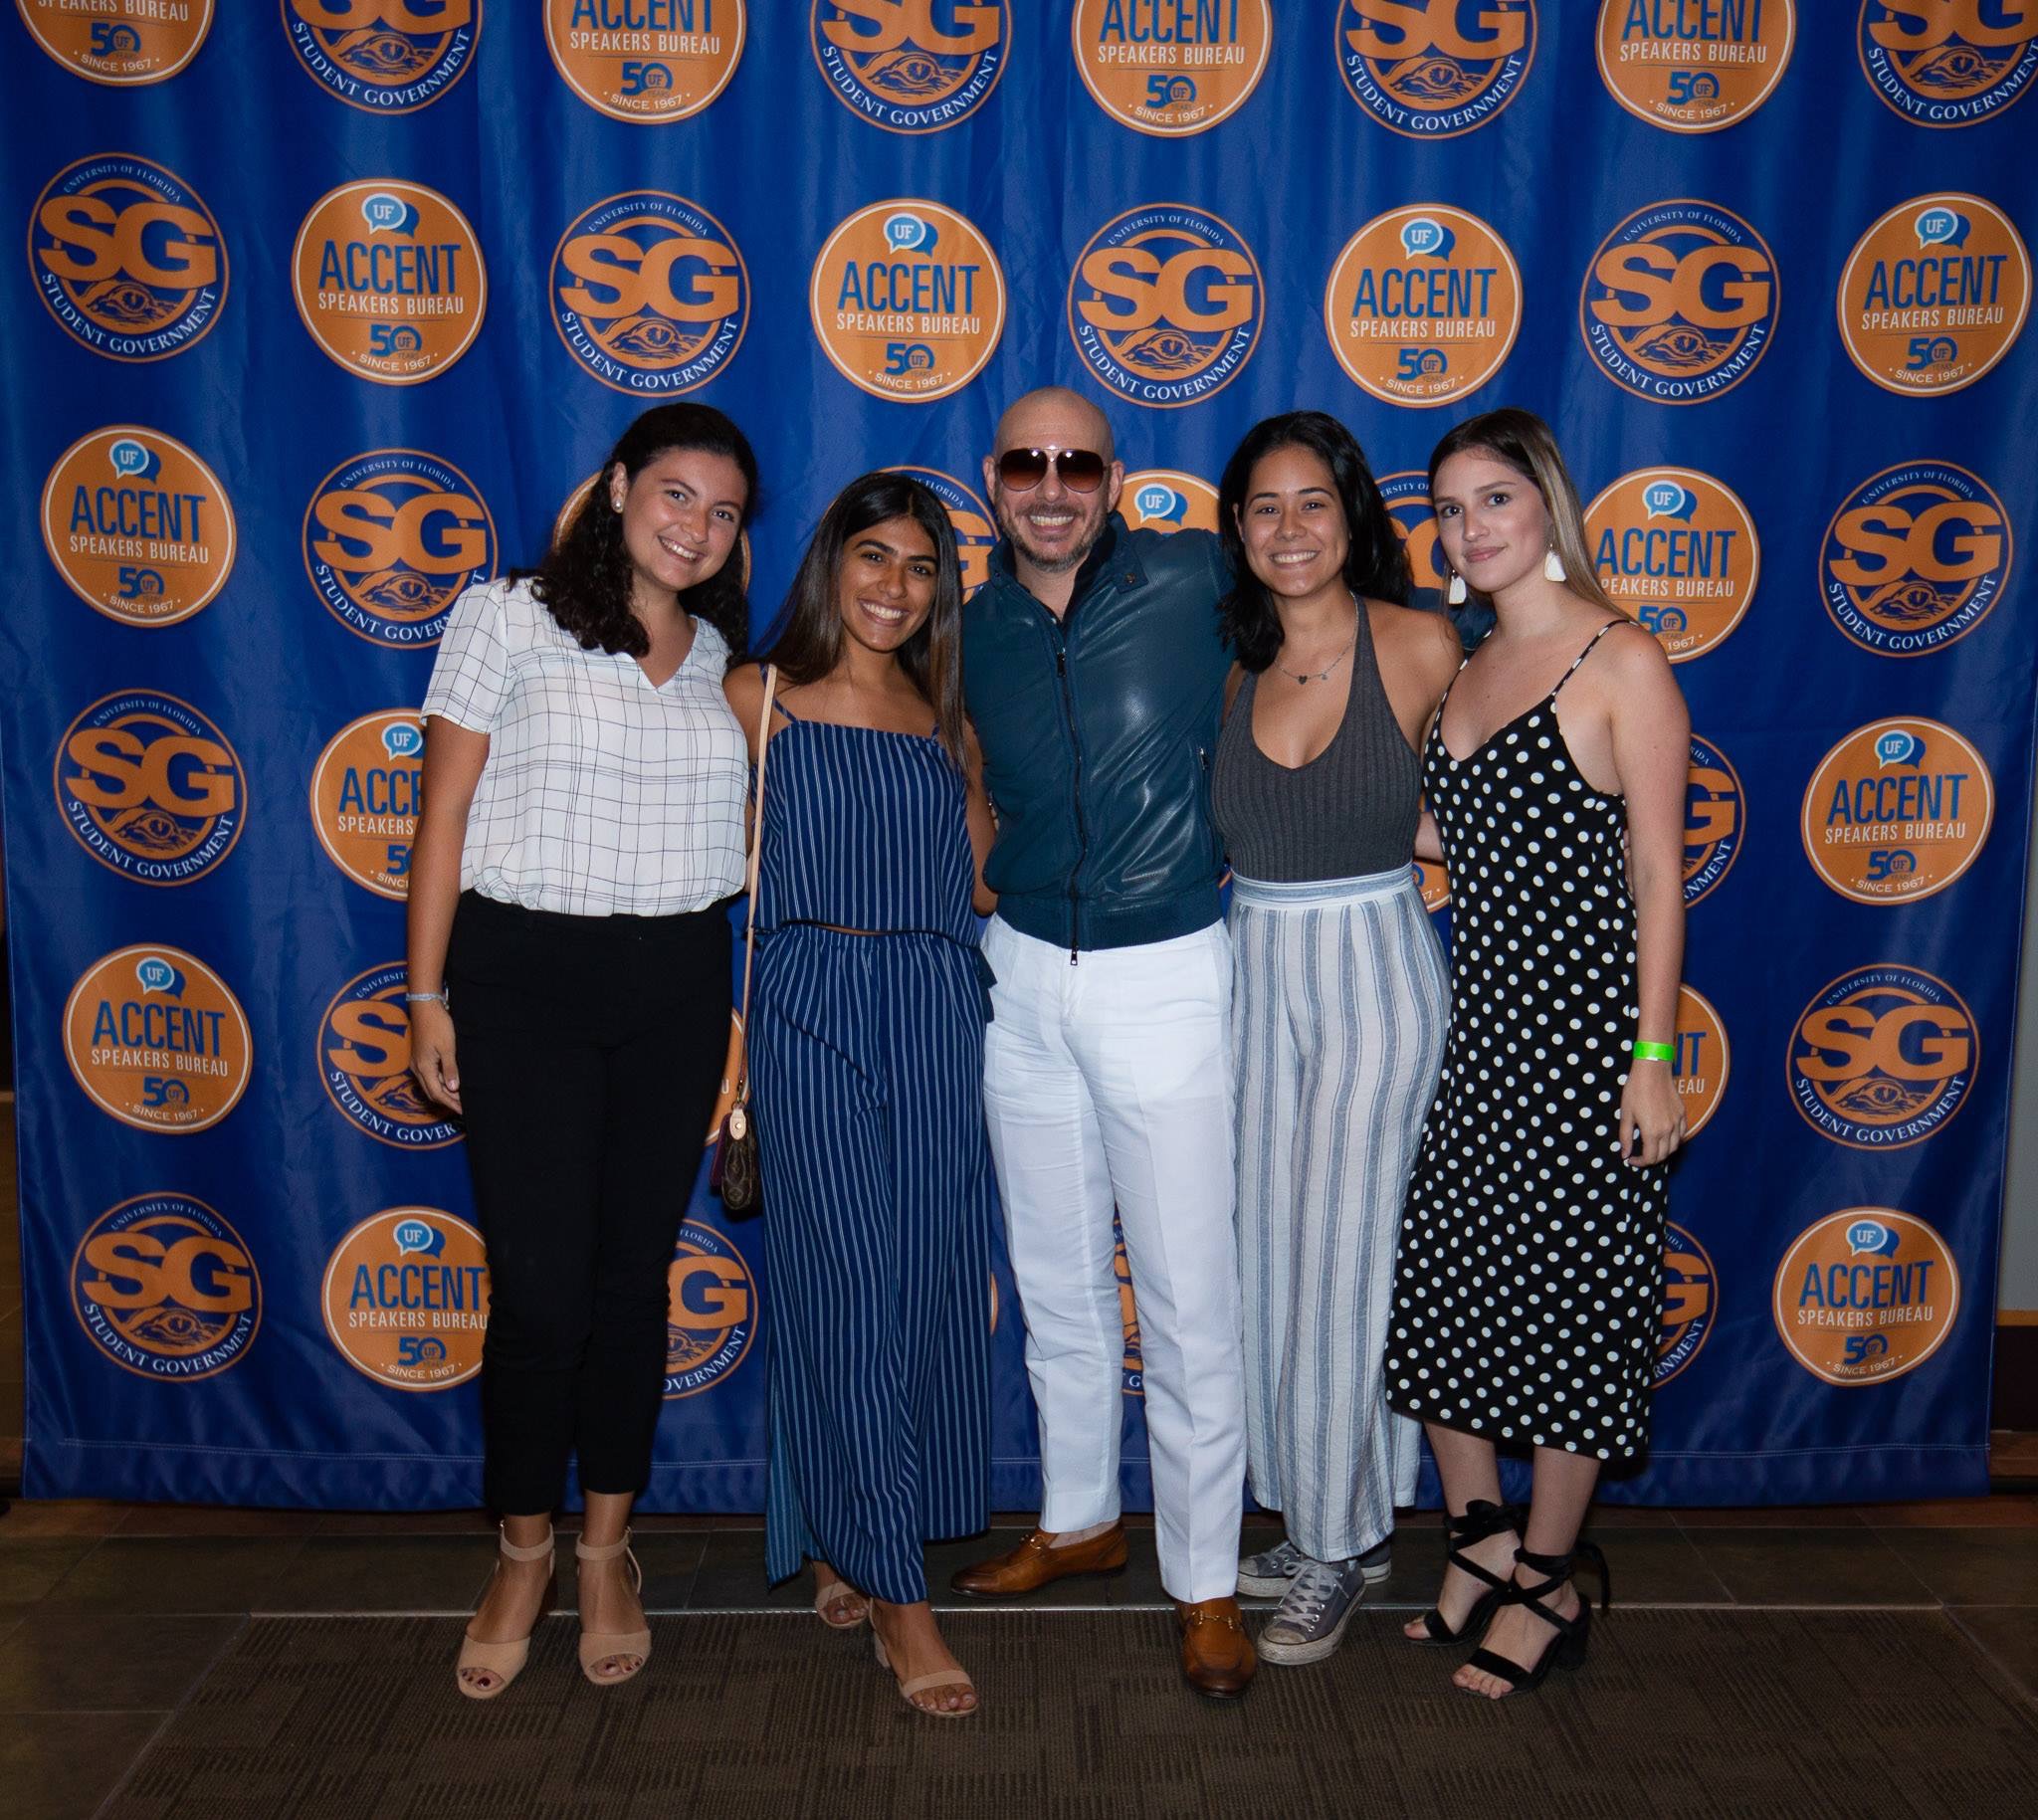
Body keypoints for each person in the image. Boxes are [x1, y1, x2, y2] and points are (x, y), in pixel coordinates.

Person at [408, 402, 758, 1698]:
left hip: (675, 985)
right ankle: (522, 1552)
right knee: (541, 1293)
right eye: (675, 494)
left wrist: (729, 1012)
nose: (696, 526)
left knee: (629, 1286)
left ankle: (607, 1551)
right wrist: (426, 994)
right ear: (617, 489)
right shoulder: (504, 614)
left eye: (722, 511)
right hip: (523, 979)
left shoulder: (722, 656)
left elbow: (736, 859)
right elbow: (443, 813)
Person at [948, 386, 1255, 1700]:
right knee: (1055, 1276)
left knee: (1186, 1299)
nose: (1051, 485)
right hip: (1018, 972)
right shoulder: (972, 623)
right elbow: (957, 765)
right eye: (1027, 463)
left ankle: (1206, 1580)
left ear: (1114, 480)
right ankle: (1078, 1518)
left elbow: (1355, 622)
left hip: (1167, 970)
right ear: (993, 479)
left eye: (1077, 463)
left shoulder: (1196, 575)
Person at [1384, 408, 1688, 1698]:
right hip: (1481, 1039)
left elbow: (1659, 874)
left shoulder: (1620, 659)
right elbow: (1446, 836)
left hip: (1588, 1044)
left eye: (1495, 498)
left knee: (1574, 1314)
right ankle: (1479, 1543)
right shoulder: (1462, 669)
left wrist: (1651, 1053)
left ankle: (1549, 1581)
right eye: (1449, 509)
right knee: (1444, 1295)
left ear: (1546, 506)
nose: (1471, 527)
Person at [723, 472, 998, 1719]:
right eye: (873, 556)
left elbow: (981, 879)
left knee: (922, 1284)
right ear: (830, 563)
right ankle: (897, 1591)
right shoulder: (756, 697)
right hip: (808, 1003)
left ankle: (838, 1528)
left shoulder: (945, 719)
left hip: (936, 1005)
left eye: (921, 566)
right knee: (844, 1281)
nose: (895, 585)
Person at [1208, 411, 1460, 1667]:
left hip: (1372, 970)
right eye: (1264, 506)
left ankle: (1335, 1539)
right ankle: (1323, 1513)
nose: (1289, 527)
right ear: (1237, 528)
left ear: (1353, 516)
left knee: (1345, 1263)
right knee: (1265, 1256)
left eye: (1313, 501)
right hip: (1251, 969)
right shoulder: (1228, 661)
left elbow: (1480, 809)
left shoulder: (1417, 642)